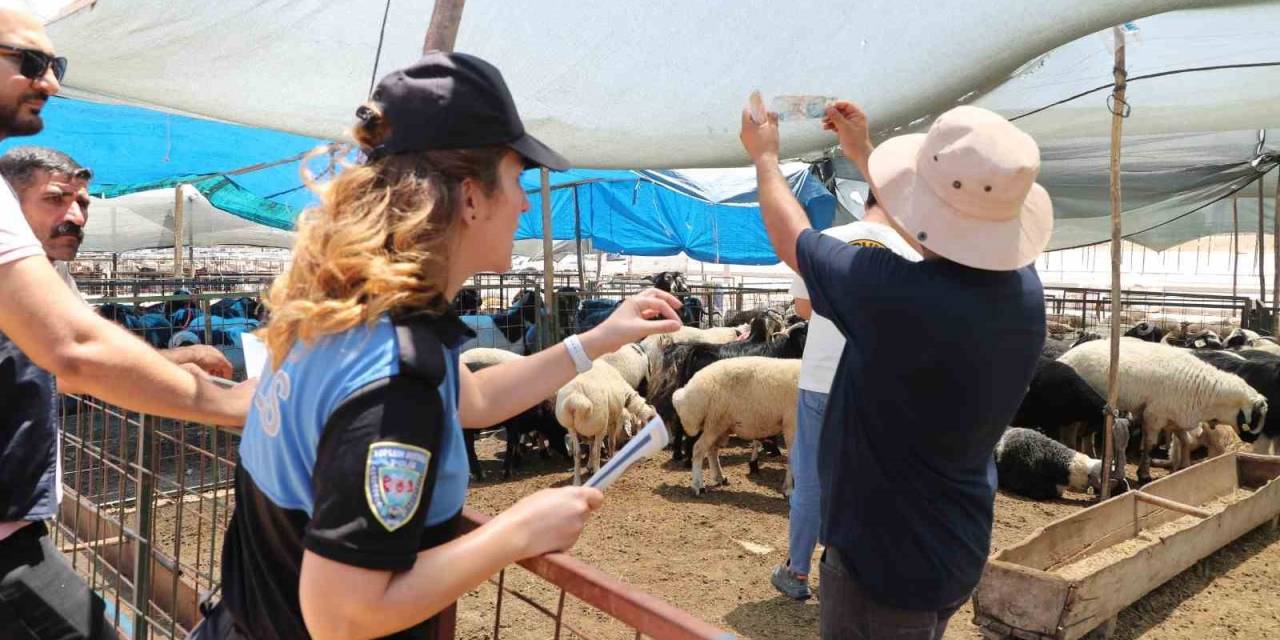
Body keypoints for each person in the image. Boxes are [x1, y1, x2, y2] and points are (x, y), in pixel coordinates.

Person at [195, 52, 683, 640]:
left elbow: (474, 399)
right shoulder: (396, 378)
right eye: (517, 179)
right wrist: (513, 533)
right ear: (471, 199)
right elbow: (341, 616)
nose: (526, 202)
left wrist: (598, 340)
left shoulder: (352, 312)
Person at [741, 102, 1049, 638]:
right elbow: (943, 233)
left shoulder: (897, 296)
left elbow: (796, 241)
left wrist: (765, 158)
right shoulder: (1023, 292)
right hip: (956, 542)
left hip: (882, 563)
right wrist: (862, 151)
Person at [0, 6, 249, 426]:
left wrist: (176, 364)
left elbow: (67, 361)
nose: (53, 82)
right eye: (31, 61)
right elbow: (75, 351)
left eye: (57, 67)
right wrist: (232, 405)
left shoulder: (53, 268)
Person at [771, 188, 922, 601]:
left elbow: (803, 306)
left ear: (864, 200)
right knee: (873, 477)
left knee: (811, 478)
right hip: (878, 384)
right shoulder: (913, 252)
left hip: (821, 378)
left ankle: (797, 571)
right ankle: (859, 574)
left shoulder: (825, 240)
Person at [0, 146, 235, 377]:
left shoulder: (52, 266)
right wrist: (186, 357)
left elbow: (86, 343)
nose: (78, 217)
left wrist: (176, 366)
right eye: (54, 199)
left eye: (82, 203)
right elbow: (79, 362)